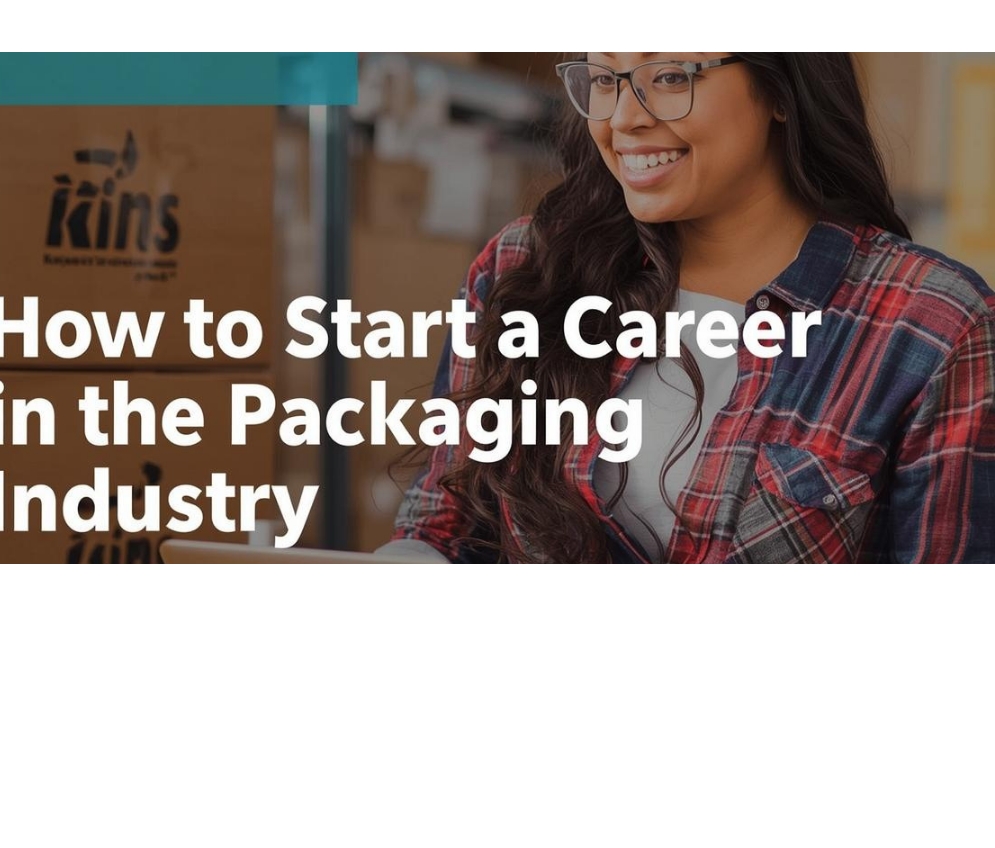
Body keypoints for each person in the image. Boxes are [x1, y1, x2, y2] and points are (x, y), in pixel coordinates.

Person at [375, 52, 995, 567]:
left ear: (780, 88)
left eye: (671, 76)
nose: (624, 119)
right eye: (605, 80)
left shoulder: (932, 325)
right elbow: (448, 528)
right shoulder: (524, 268)